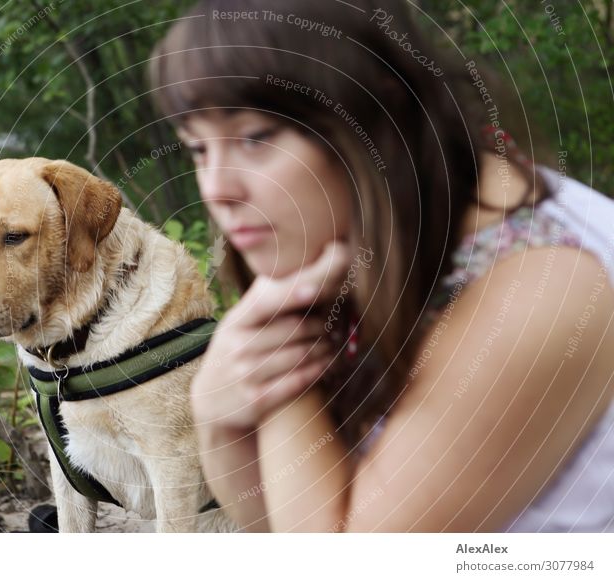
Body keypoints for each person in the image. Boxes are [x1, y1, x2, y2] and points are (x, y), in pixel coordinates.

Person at [149, 0, 614, 532]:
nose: (216, 191)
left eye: (256, 138)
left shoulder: (540, 292)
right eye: (197, 149)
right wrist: (216, 415)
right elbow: (274, 529)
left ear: (376, 107)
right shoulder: (366, 241)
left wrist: (283, 365)